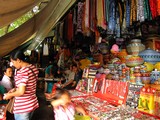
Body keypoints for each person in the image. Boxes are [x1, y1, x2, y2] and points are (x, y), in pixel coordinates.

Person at [3, 50, 39, 120]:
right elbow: (29, 84)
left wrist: (9, 95)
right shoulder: (33, 68)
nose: (13, 64)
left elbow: (21, 92)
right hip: (32, 103)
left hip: (23, 107)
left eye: (13, 62)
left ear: (19, 60)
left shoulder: (22, 72)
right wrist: (15, 89)